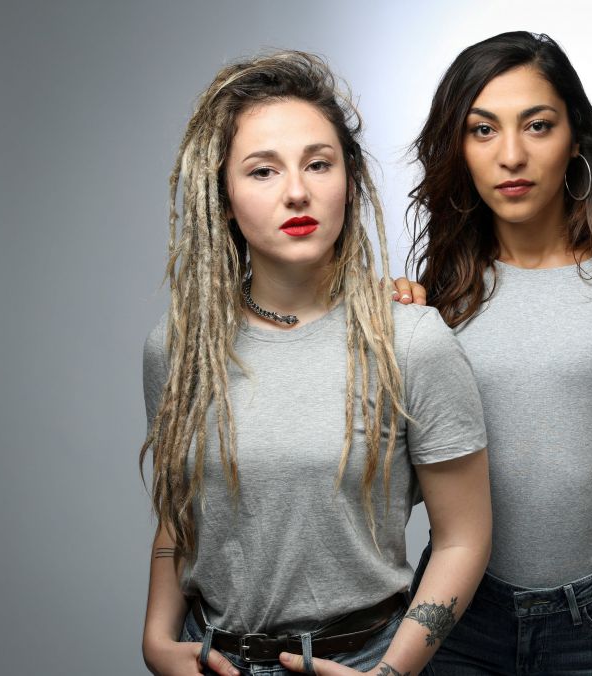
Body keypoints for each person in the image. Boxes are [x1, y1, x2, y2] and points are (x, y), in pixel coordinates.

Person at [139, 51, 491, 676]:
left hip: (362, 661)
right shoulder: (181, 346)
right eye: (262, 171)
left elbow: (464, 538)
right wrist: (156, 639)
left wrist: (391, 673)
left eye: (318, 164)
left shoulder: (411, 340)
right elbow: (181, 512)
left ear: (348, 182)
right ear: (223, 198)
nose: (297, 191)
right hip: (213, 659)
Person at [404, 31, 592, 674]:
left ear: (575, 137)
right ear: (458, 148)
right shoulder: (436, 293)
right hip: (461, 618)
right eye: (483, 130)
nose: (511, 155)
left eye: (537, 125)